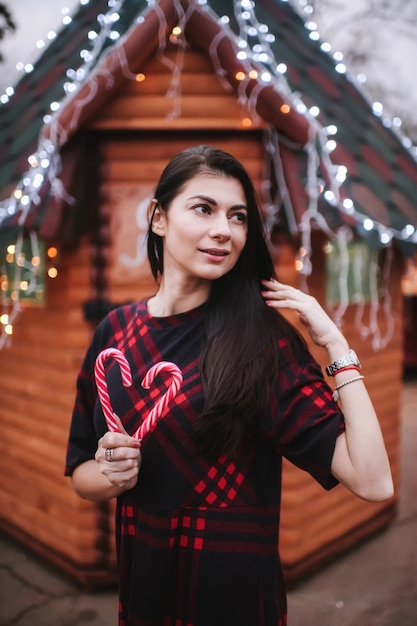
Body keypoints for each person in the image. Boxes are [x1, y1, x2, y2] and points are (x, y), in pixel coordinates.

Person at [65, 145, 393, 626]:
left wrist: (335, 344)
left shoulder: (261, 343)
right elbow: (81, 474)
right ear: (158, 217)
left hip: (234, 605)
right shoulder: (115, 333)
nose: (224, 229)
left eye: (237, 216)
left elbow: (373, 481)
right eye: (204, 208)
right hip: (144, 598)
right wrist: (110, 473)